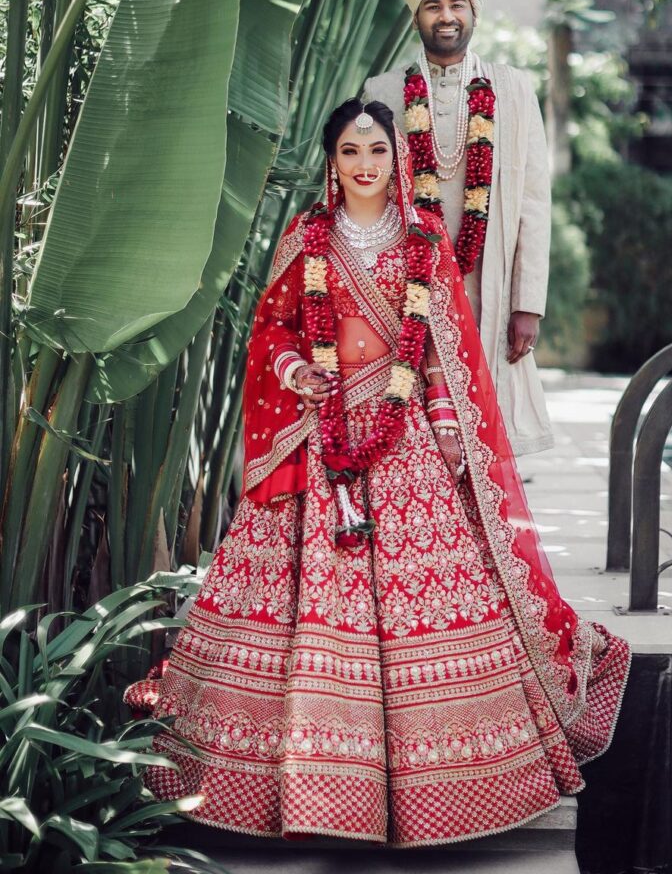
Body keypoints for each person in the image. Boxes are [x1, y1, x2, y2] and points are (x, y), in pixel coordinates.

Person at [124, 99, 631, 848]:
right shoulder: (307, 236)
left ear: (398, 158)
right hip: (316, 429)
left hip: (405, 440)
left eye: (377, 150)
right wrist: (296, 369)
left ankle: (441, 793)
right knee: (303, 598)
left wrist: (450, 426)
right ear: (332, 160)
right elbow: (274, 327)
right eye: (350, 152)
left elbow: (437, 348)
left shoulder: (423, 237)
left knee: (429, 594)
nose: (364, 165)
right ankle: (298, 788)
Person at [364, 0, 552, 456]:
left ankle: (483, 526)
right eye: (433, 6)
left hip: (484, 280)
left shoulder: (514, 92)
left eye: (456, 6)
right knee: (412, 419)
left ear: (473, 13)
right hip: (405, 280)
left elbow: (535, 204)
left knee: (483, 412)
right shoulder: (382, 91)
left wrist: (528, 303)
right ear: (416, 16)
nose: (446, 17)